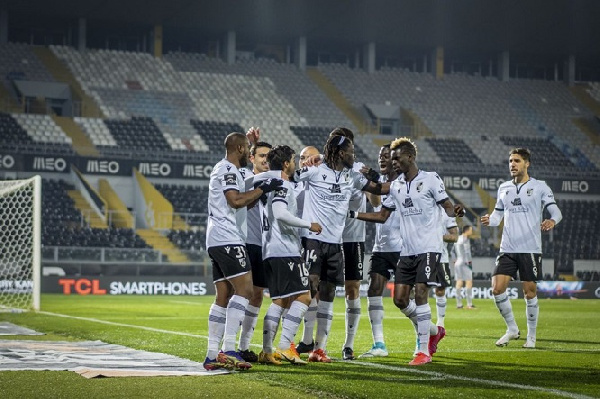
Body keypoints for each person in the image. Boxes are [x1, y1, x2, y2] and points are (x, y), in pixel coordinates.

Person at [349, 137, 465, 365]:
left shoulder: (430, 179)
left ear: (410, 157)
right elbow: (382, 214)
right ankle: (432, 331)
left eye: (396, 158)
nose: (393, 162)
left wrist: (455, 211)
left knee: (420, 293)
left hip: (429, 249)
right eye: (391, 159)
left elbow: (447, 206)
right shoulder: (396, 186)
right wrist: (353, 213)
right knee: (400, 300)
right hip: (407, 252)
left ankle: (423, 351)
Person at [294, 129, 390, 363]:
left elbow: (378, 191)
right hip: (315, 239)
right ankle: (292, 342)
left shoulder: (354, 174)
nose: (353, 155)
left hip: (341, 242)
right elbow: (290, 177)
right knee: (310, 289)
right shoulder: (316, 170)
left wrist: (381, 176)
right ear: (338, 152)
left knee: (330, 291)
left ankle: (321, 348)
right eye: (350, 152)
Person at [203, 132, 283, 371]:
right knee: (246, 290)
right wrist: (262, 190)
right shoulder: (227, 169)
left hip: (217, 238)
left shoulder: (230, 170)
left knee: (223, 296)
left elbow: (242, 201)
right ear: (239, 148)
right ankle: (228, 349)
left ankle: (211, 354)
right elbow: (235, 201)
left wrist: (260, 191)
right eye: (247, 147)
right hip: (228, 238)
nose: (249, 151)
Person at [481, 147, 562, 349]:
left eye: (517, 161)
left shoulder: (540, 186)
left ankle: (531, 338)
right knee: (497, 288)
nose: (512, 164)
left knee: (529, 292)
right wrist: (489, 220)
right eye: (510, 161)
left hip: (530, 248)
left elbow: (556, 211)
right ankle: (512, 329)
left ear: (527, 163)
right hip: (507, 247)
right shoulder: (504, 188)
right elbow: (497, 216)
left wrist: (552, 220)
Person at [254, 145, 322, 365]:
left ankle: (266, 351)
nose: (295, 163)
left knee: (280, 301)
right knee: (304, 297)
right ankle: (284, 347)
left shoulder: (268, 183)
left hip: (270, 250)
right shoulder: (283, 185)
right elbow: (281, 213)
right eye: (292, 159)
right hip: (285, 250)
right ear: (285, 164)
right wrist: (308, 225)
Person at [359, 144, 402, 358]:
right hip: (381, 248)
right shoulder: (380, 185)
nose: (382, 160)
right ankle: (379, 344)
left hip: (404, 249)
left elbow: (382, 213)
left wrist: (353, 214)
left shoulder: (402, 184)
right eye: (380, 157)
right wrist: (367, 183)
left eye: (386, 156)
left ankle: (431, 331)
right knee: (373, 290)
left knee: (406, 301)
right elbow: (375, 202)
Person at [237, 138, 273, 363]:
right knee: (242, 293)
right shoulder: (247, 180)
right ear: (252, 159)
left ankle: (244, 345)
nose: (265, 160)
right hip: (246, 242)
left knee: (258, 295)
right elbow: (241, 203)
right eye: (261, 156)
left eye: (268, 156)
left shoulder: (275, 180)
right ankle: (228, 344)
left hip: (266, 246)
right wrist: (261, 191)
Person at [295, 145, 322, 355]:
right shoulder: (294, 181)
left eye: (309, 158)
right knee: (303, 290)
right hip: (295, 240)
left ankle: (307, 340)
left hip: (314, 239)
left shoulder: (321, 179)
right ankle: (304, 340)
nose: (304, 161)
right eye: (301, 157)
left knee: (313, 288)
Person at [454, 225, 474, 309]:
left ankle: (459, 304)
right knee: (469, 282)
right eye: (471, 230)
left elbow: (452, 251)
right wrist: (469, 263)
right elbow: (467, 253)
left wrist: (455, 260)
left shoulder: (458, 239)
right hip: (465, 262)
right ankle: (469, 304)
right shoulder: (465, 239)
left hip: (458, 261)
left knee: (459, 282)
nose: (472, 231)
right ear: (466, 231)